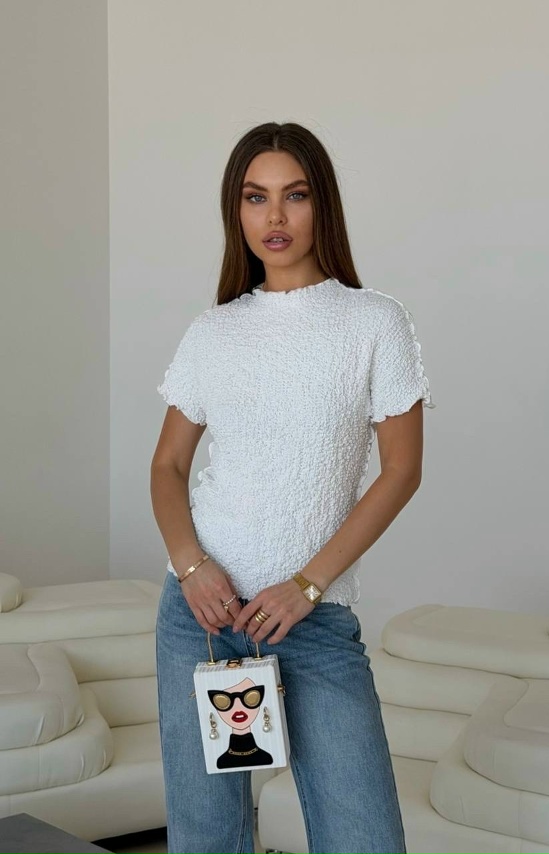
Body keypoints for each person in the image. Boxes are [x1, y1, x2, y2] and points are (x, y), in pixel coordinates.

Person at [150, 121, 435, 854]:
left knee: (364, 838)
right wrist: (191, 566)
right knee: (206, 839)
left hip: (311, 620)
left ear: (321, 206)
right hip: (202, 619)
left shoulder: (375, 322)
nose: (274, 217)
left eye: (294, 196)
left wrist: (307, 585)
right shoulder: (213, 331)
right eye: (256, 197)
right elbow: (169, 466)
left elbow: (401, 471)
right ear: (236, 211)